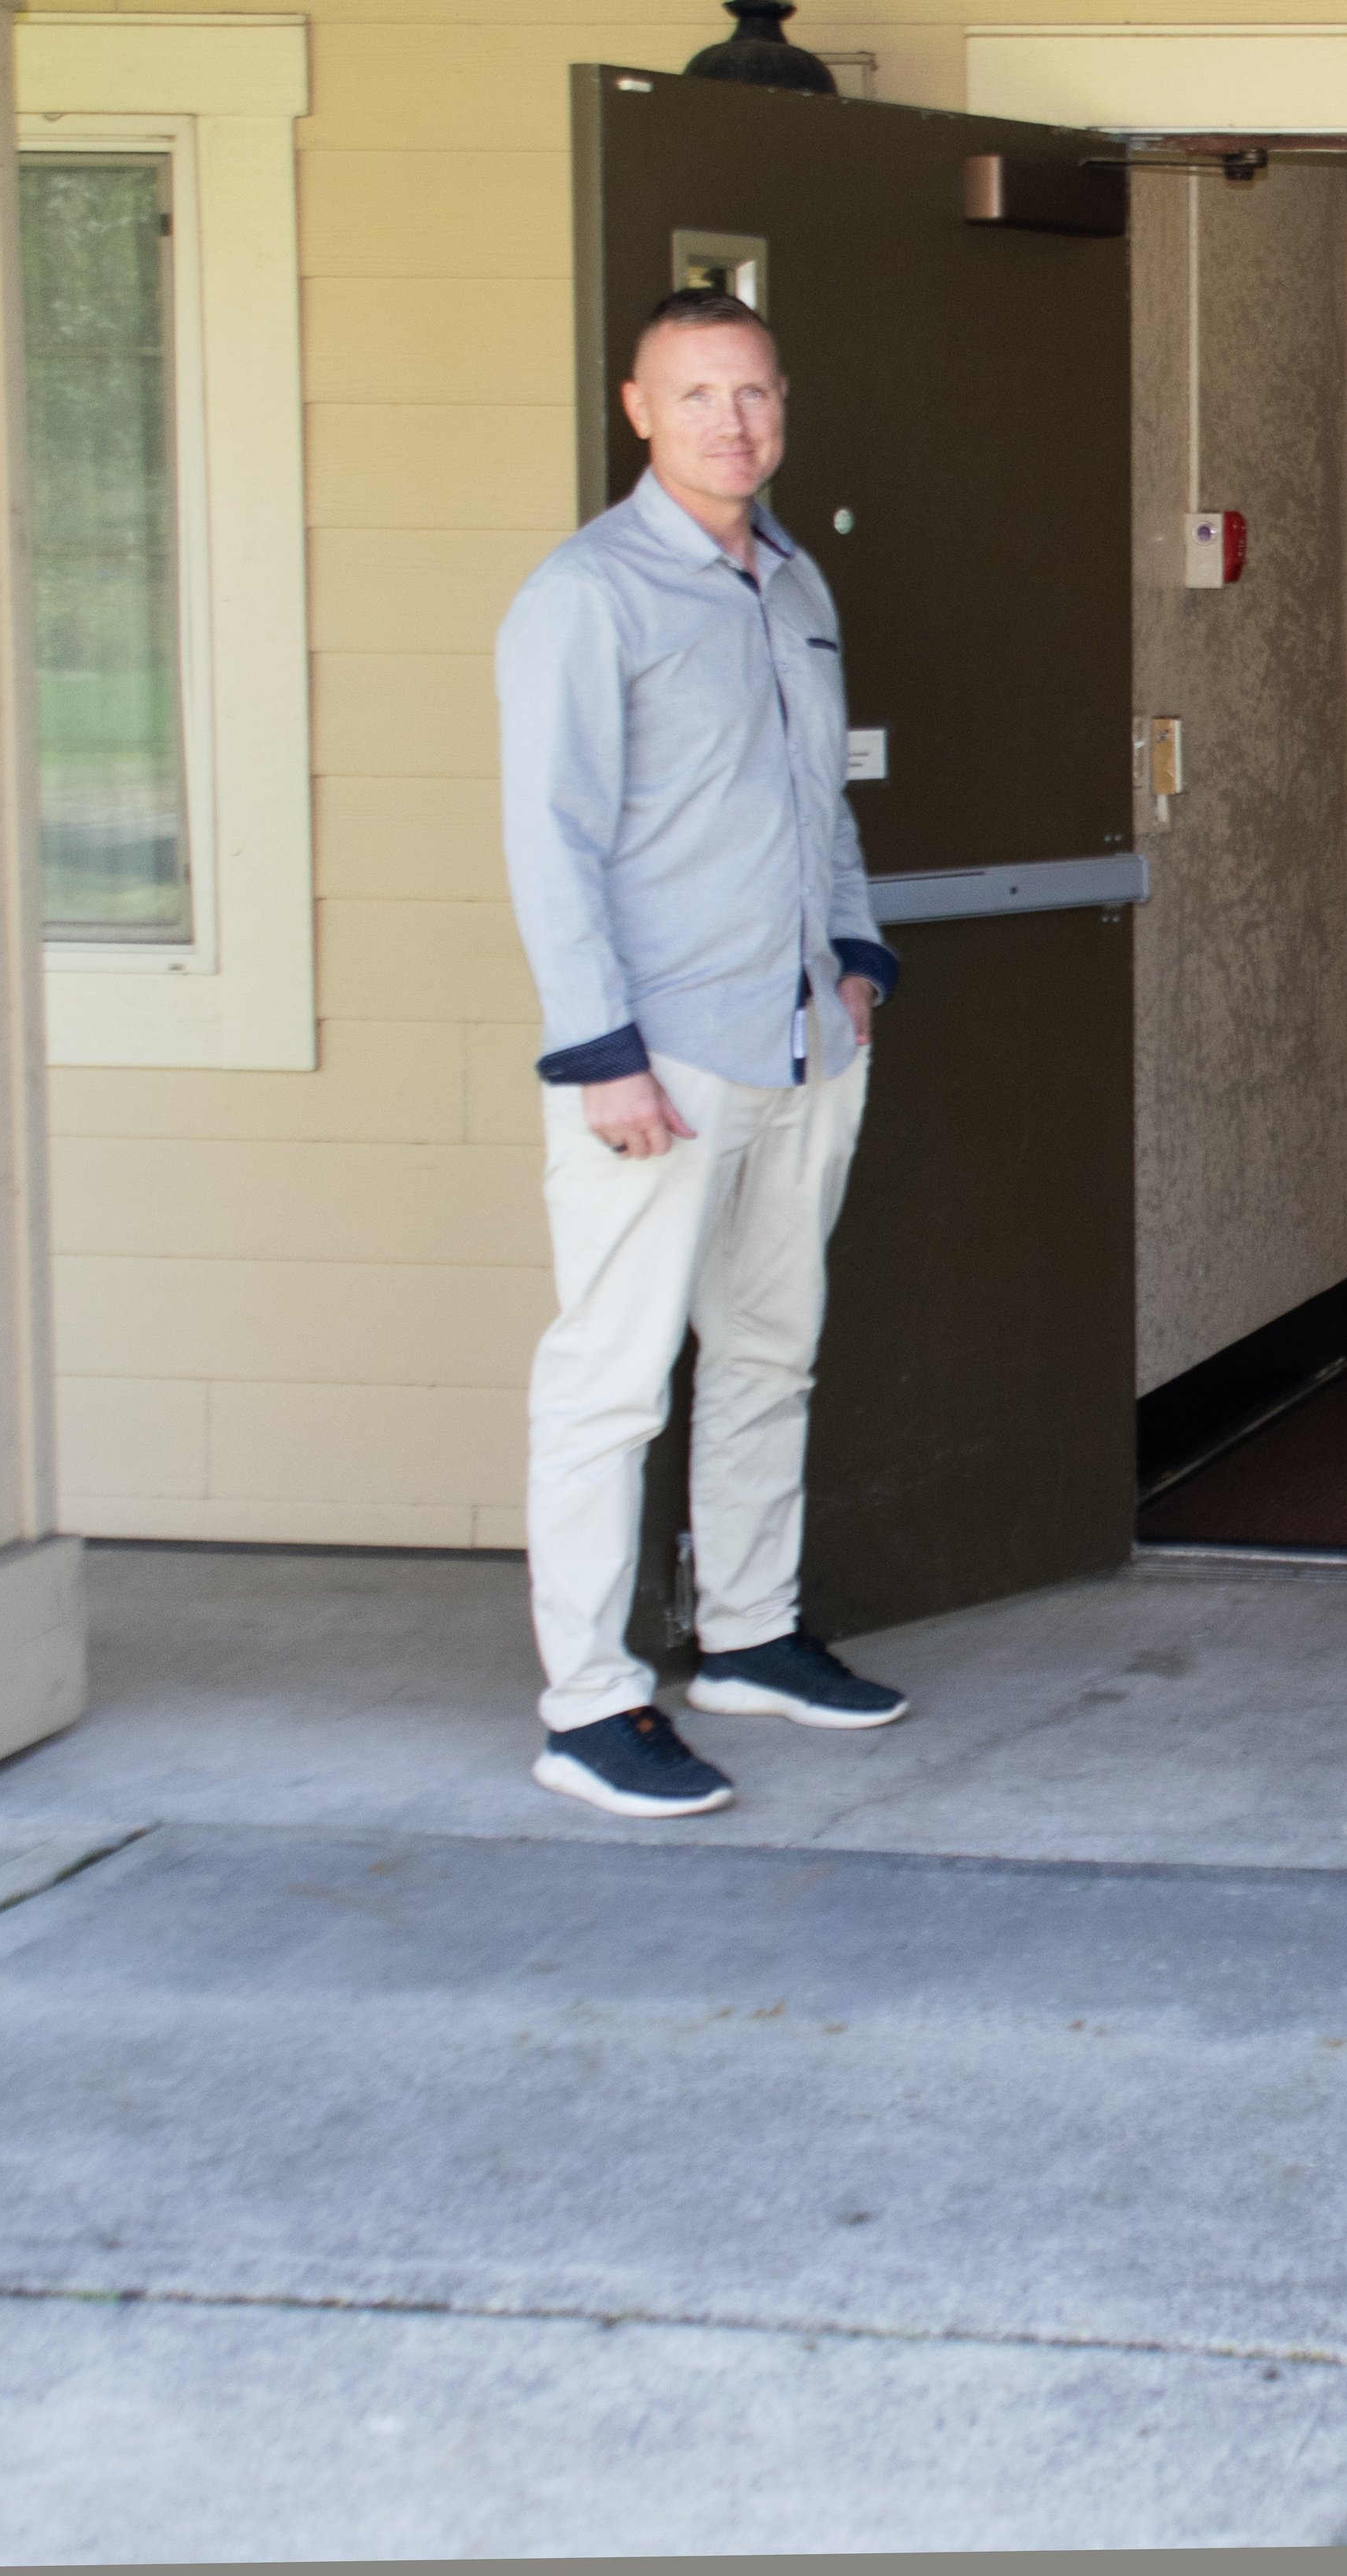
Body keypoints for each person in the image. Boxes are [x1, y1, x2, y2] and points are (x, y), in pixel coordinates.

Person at [494, 286, 911, 1820]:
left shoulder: (793, 580)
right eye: (698, 396)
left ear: (781, 407)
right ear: (637, 409)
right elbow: (551, 845)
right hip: (657, 1063)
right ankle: (588, 1702)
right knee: (610, 1382)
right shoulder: (586, 595)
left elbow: (823, 800)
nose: (732, 423)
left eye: (754, 395)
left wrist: (857, 955)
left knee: (766, 1352)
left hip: (802, 1040)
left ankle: (747, 1634)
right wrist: (600, 1052)